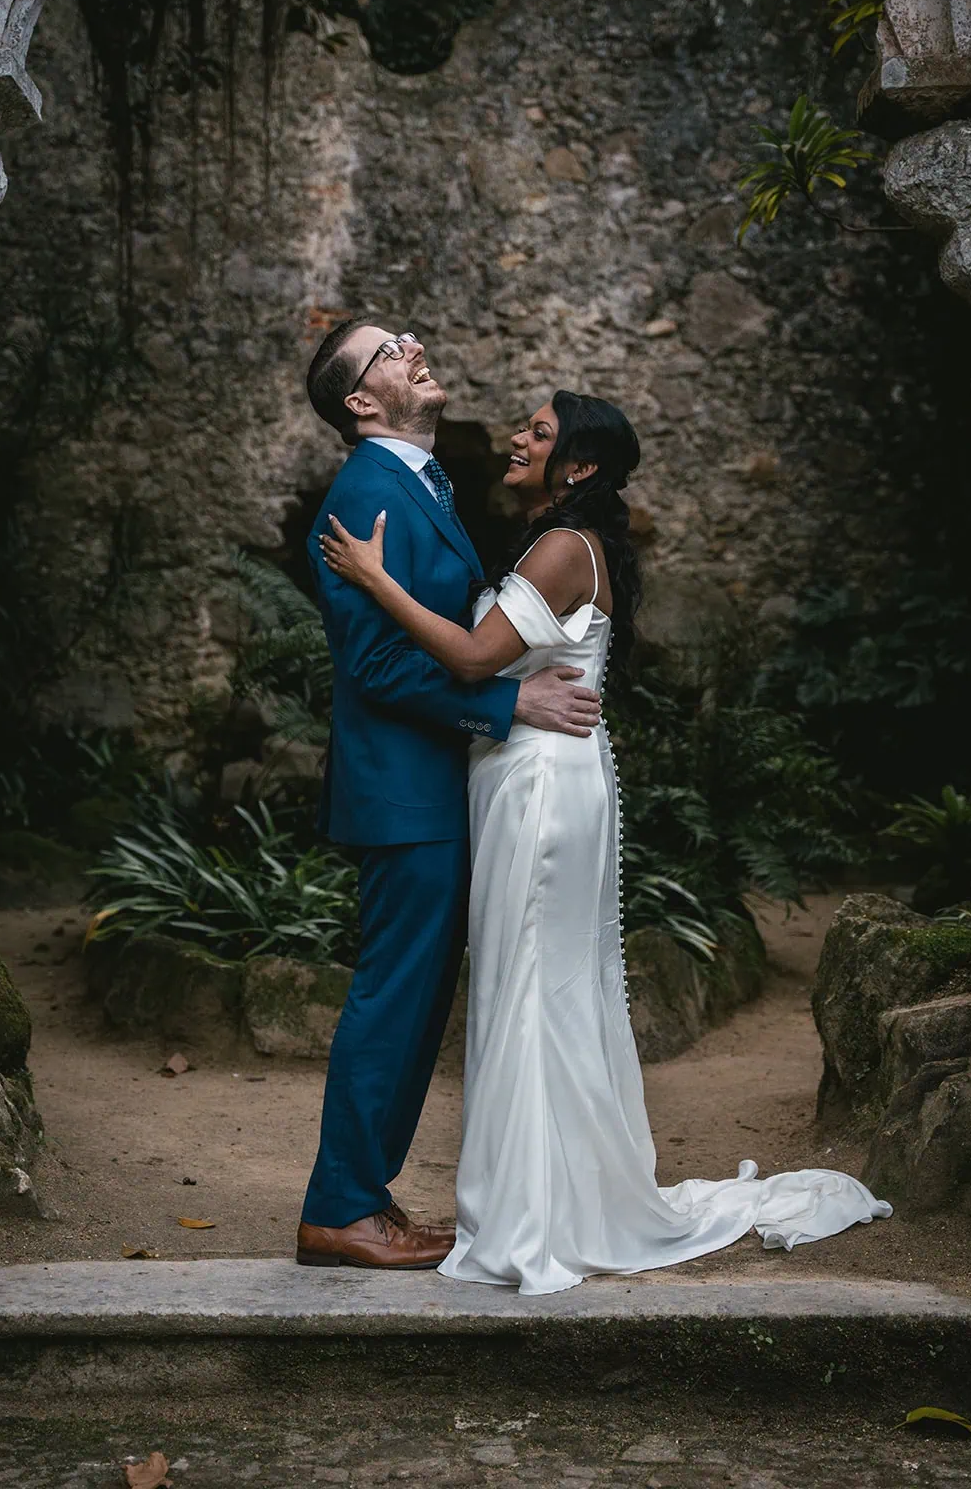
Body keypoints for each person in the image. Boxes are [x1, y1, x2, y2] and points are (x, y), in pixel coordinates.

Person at [320, 386, 893, 1296]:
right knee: (531, 987)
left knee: (532, 989)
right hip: (533, 773)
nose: (516, 438)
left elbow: (472, 660)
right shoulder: (556, 541)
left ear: (578, 466)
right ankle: (537, 1198)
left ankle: (536, 1213)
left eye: (538, 434)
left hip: (542, 784)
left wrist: (375, 578)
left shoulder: (559, 550)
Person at [296, 322, 602, 1271]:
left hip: (436, 788)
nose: (414, 346)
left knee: (419, 999)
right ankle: (340, 1207)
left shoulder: (416, 481)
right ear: (359, 401)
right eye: (389, 349)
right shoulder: (364, 492)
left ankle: (362, 1198)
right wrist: (512, 703)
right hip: (404, 793)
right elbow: (381, 662)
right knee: (394, 996)